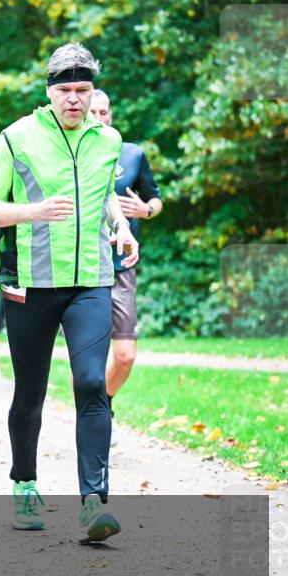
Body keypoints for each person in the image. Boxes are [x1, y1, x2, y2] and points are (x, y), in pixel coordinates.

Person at [0, 43, 139, 544]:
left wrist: (122, 225)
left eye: (82, 91)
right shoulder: (17, 136)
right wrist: (30, 213)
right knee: (30, 392)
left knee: (91, 383)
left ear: (92, 94)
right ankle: (24, 485)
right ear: (49, 92)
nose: (73, 99)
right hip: (31, 285)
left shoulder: (108, 140)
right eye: (64, 90)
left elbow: (104, 193)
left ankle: (94, 502)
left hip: (90, 279)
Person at [88, 89, 164, 446]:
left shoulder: (132, 154)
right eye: (93, 112)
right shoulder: (72, 155)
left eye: (105, 112)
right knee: (90, 355)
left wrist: (144, 211)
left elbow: (155, 199)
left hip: (121, 265)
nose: (100, 118)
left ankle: (102, 403)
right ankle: (95, 417)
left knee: (125, 355)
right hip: (83, 266)